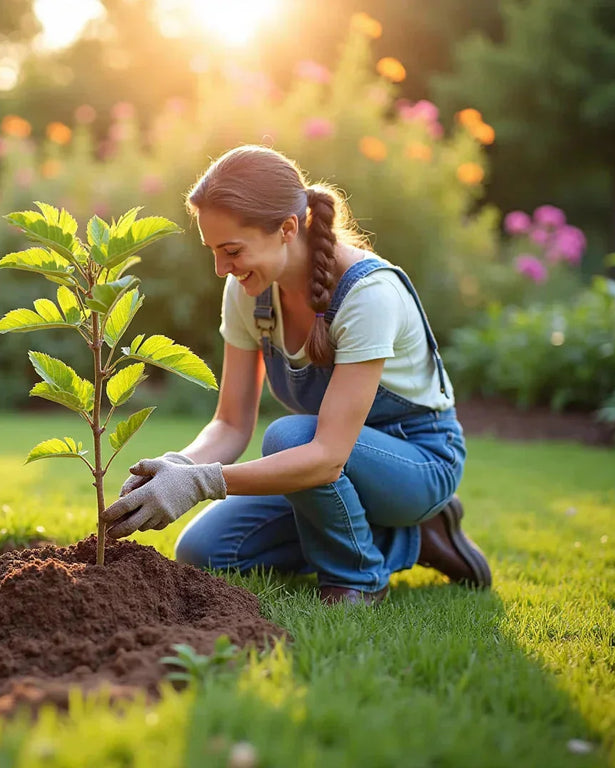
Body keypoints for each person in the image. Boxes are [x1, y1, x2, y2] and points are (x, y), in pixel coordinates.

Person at [101, 145, 491, 606]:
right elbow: (230, 424)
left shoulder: (368, 295)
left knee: (290, 437)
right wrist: (179, 468)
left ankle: (361, 577)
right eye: (213, 252)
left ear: (287, 228)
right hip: (329, 470)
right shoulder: (248, 292)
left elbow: (327, 455)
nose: (221, 269)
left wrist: (205, 483)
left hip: (418, 464)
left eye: (231, 251)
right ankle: (407, 540)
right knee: (204, 551)